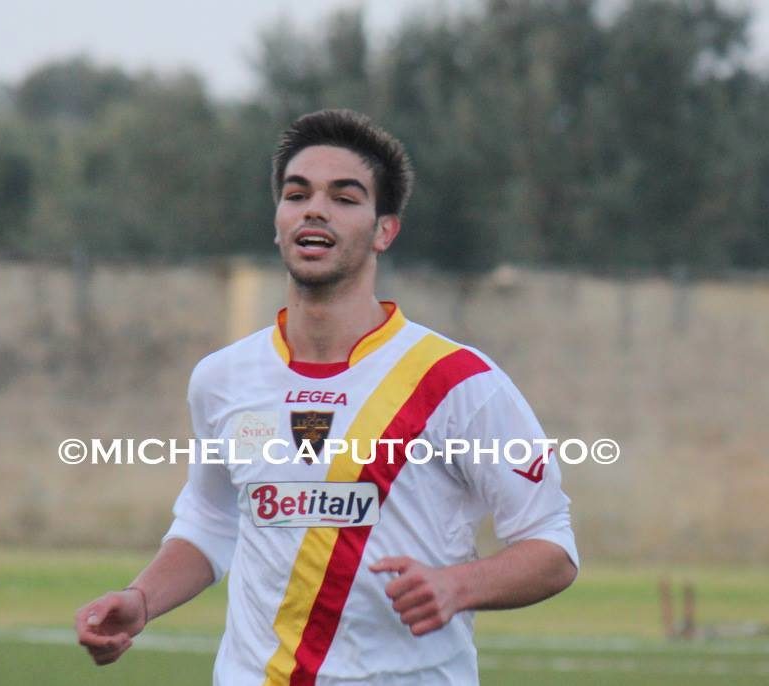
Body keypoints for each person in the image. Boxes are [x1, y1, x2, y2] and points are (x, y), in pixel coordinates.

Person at [76, 109, 579, 685]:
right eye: (297, 194)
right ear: (278, 220)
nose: (314, 208)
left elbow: (552, 548)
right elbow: (212, 523)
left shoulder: (458, 381)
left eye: (344, 197)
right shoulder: (221, 379)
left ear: (384, 230)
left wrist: (456, 586)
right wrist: (141, 601)